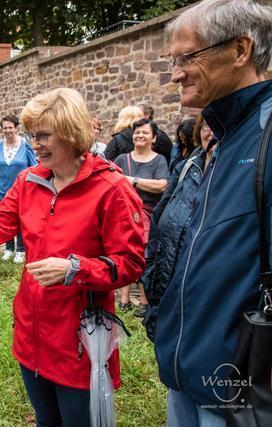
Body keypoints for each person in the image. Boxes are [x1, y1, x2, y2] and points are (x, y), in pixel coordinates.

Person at [0, 88, 145, 427]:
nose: (34, 144)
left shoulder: (111, 189)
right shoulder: (29, 181)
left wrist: (74, 269)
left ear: (71, 131)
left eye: (44, 135)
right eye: (33, 135)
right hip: (32, 334)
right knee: (45, 420)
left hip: (77, 343)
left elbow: (131, 262)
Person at [155, 0, 272, 424]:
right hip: (188, 373)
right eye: (173, 60)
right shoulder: (225, 138)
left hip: (242, 392)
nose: (175, 73)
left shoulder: (264, 136)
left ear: (241, 50)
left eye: (188, 57)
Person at [143, 115, 217, 342]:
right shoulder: (188, 166)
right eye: (207, 125)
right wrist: (150, 269)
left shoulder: (236, 171)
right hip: (168, 278)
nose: (212, 133)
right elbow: (160, 217)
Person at [113, 118, 169, 316]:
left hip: (147, 215)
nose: (140, 135)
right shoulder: (121, 159)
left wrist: (132, 180)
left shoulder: (159, 160)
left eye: (145, 132)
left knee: (145, 257)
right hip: (123, 214)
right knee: (123, 253)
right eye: (137, 132)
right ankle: (124, 299)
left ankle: (144, 302)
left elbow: (162, 185)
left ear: (153, 138)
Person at [0, 114, 37, 263]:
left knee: (21, 220)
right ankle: (9, 248)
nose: (8, 130)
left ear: (16, 128)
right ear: (2, 129)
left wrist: (33, 188)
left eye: (10, 127)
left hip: (22, 190)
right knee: (6, 220)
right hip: (3, 191)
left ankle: (21, 250)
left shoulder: (25, 144)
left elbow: (33, 167)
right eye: (5, 128)